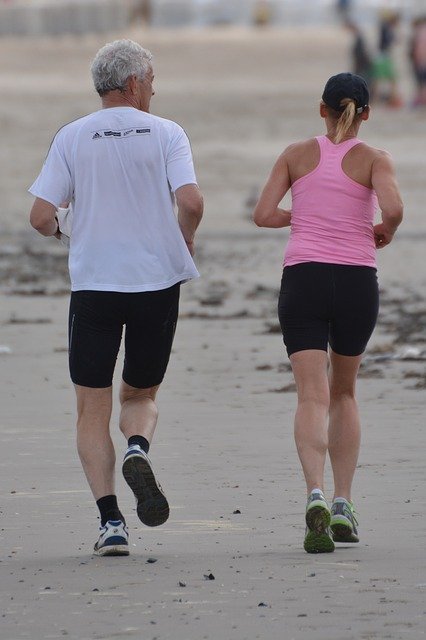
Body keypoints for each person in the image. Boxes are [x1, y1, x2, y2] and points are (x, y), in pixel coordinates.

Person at [29, 39, 203, 556]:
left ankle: (111, 524)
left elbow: (40, 216)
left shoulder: (73, 135)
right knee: (141, 395)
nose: (154, 90)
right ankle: (137, 447)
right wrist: (183, 236)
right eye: (151, 81)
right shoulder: (167, 132)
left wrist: (68, 230)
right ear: (132, 83)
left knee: (91, 406)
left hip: (95, 288)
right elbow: (192, 201)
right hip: (155, 285)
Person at [253, 73, 403, 553]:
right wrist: (383, 230)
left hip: (304, 279)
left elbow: (263, 214)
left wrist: (301, 216)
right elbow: (395, 210)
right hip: (356, 281)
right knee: (344, 392)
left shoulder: (295, 154)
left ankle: (314, 493)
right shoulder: (375, 159)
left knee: (310, 396)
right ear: (366, 114)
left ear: (321, 109)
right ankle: (342, 502)